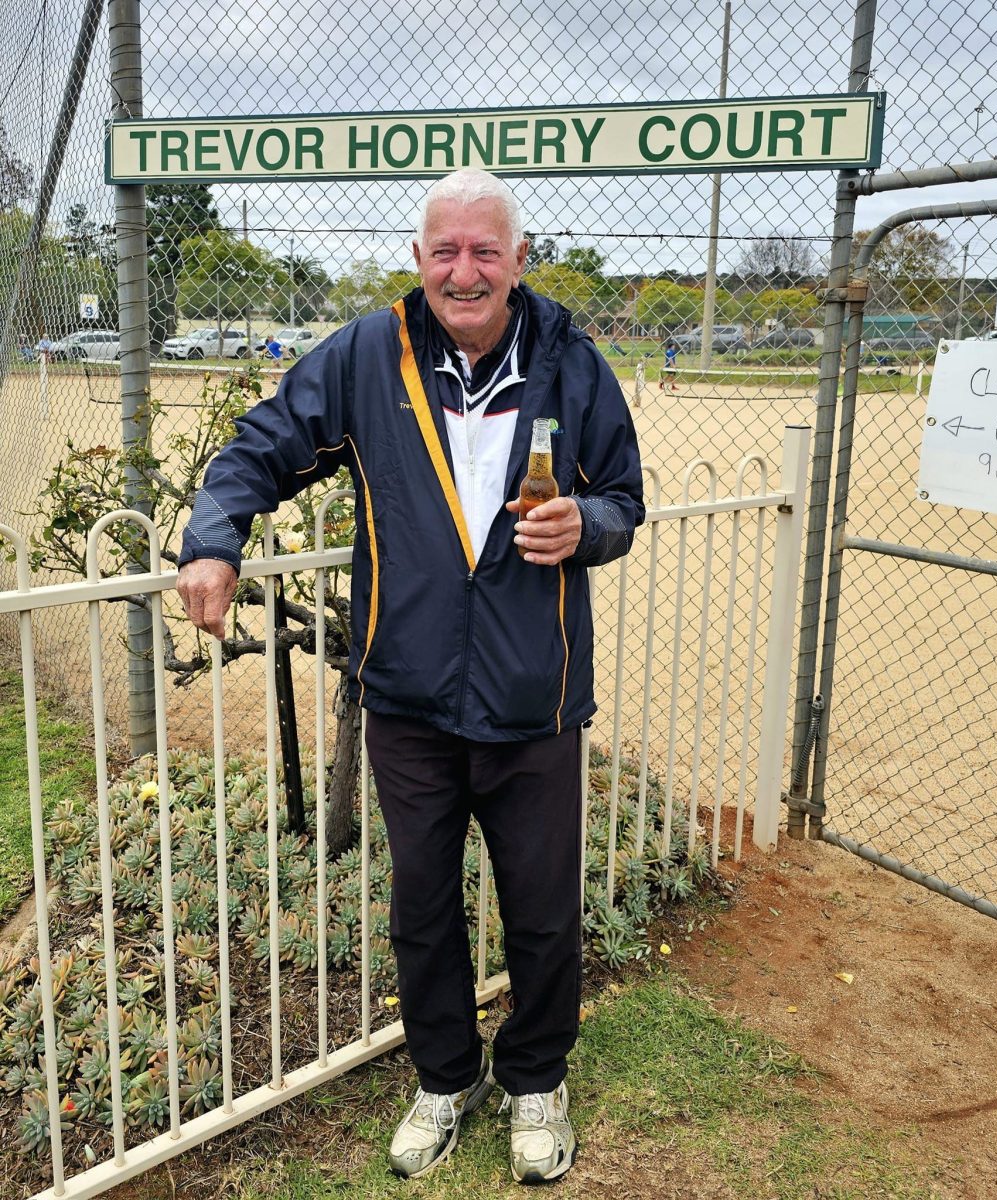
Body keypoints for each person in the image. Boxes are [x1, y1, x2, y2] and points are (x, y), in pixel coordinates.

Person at [176, 169, 644, 1185]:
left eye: (485, 250)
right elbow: (260, 447)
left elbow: (623, 498)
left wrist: (589, 526)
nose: (463, 270)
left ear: (518, 260)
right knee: (422, 906)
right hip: (408, 695)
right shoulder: (365, 357)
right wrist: (212, 540)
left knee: (541, 908)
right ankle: (444, 1079)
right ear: (420, 259)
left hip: (533, 697)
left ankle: (533, 1081)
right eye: (445, 250)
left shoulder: (572, 366)